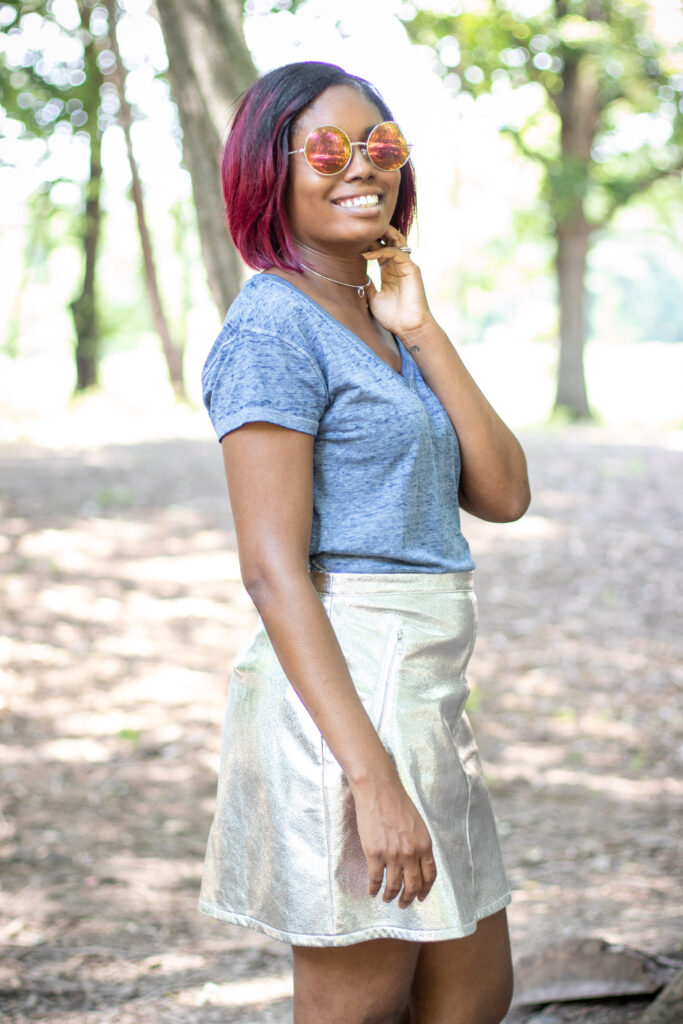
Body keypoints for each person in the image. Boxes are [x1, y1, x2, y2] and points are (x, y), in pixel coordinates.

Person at [198, 61, 530, 1024]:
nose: (361, 168)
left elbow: (502, 492)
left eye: (380, 146)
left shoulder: (379, 320)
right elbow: (270, 570)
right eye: (329, 149)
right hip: (347, 694)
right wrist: (370, 779)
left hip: (424, 692)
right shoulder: (271, 325)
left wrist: (420, 328)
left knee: (471, 994)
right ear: (272, 170)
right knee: (364, 999)